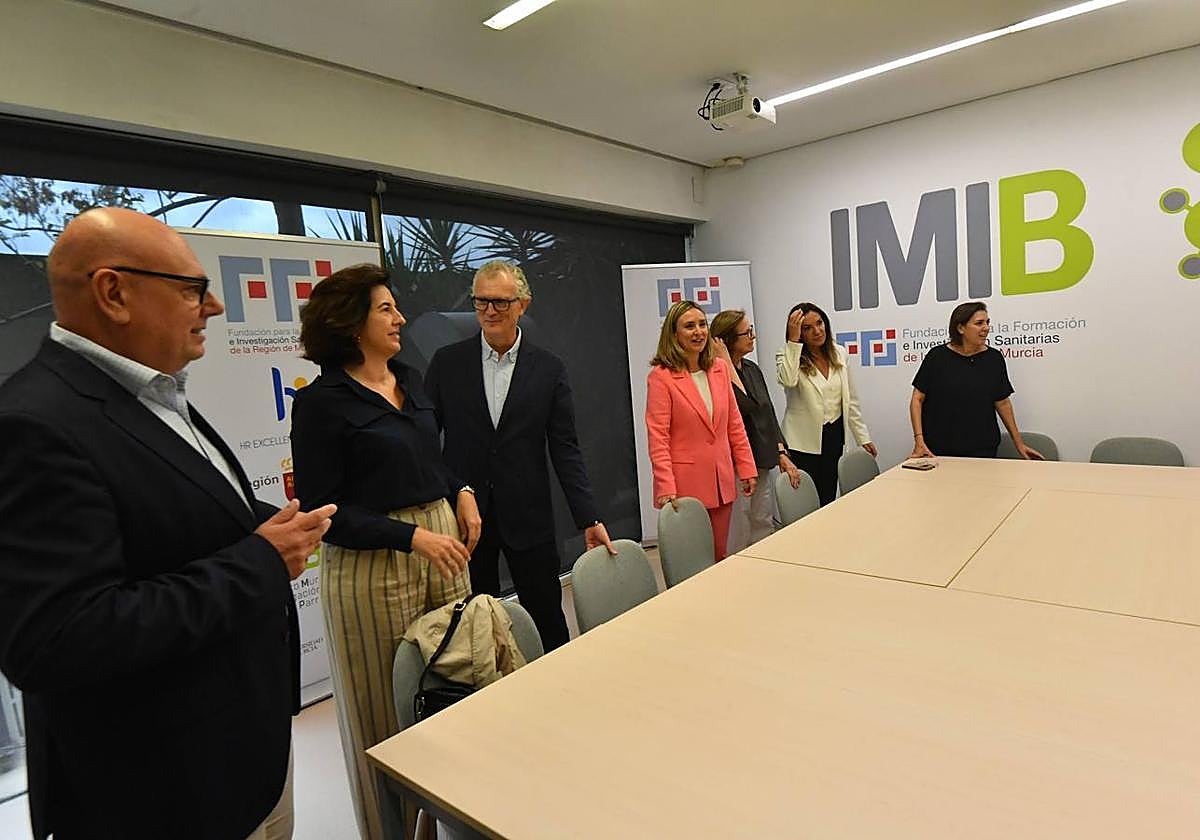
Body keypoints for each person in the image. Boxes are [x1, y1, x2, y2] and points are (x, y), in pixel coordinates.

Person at [0, 207, 336, 840]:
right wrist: (261, 561)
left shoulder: (156, 393)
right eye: (190, 289)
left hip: (242, 754)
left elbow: (171, 517)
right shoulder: (32, 425)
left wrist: (270, 524)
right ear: (114, 292)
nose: (211, 308)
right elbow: (54, 639)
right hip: (162, 794)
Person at [289, 263, 479, 840]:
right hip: (375, 563)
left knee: (459, 684)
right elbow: (324, 512)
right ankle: (391, 831)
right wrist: (411, 536)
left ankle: (462, 815)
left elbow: (432, 458)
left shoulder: (409, 379)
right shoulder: (320, 404)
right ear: (351, 325)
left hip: (441, 545)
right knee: (385, 712)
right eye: (386, 309)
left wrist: (461, 491)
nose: (400, 318)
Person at [424, 260, 613, 652]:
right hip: (466, 517)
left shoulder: (548, 368)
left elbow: (565, 449)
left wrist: (588, 517)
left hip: (529, 515)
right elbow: (425, 439)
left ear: (522, 304)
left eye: (500, 303)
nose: (490, 312)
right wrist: (452, 489)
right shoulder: (447, 363)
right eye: (481, 303)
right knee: (475, 622)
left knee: (546, 617)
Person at [646, 300, 757, 562]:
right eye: (689, 326)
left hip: (721, 480)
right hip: (684, 486)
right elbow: (658, 437)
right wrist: (665, 485)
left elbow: (734, 424)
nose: (698, 332)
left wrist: (747, 466)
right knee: (691, 559)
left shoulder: (718, 368)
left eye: (702, 325)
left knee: (718, 555)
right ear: (674, 334)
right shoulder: (661, 377)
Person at [709, 309, 801, 553]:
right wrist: (726, 363)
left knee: (763, 522)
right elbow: (745, 404)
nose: (753, 336)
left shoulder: (752, 369)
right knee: (738, 532)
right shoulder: (714, 372)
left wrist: (781, 451)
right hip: (737, 465)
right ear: (725, 340)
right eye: (746, 332)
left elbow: (767, 413)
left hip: (761, 459)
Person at [910, 301, 1043, 460]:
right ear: (960, 328)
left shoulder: (994, 358)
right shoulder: (937, 357)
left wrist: (1019, 443)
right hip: (939, 449)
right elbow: (917, 399)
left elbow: (1002, 402)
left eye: (987, 322)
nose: (986, 328)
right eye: (979, 323)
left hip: (983, 449)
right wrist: (919, 440)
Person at [776, 302, 876, 506]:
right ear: (797, 332)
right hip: (802, 443)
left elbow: (851, 401)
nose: (817, 331)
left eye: (820, 323)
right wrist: (793, 343)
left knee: (827, 497)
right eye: (807, 328)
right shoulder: (787, 355)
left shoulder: (839, 352)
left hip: (833, 436)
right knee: (804, 502)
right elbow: (788, 380)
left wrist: (862, 436)